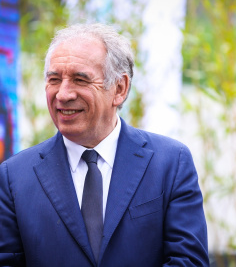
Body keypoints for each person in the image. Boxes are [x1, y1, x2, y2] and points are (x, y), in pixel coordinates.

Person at [0, 23, 209, 267]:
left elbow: (188, 261)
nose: (63, 94)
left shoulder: (170, 163)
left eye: (80, 79)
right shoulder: (14, 177)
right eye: (54, 79)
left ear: (119, 89)